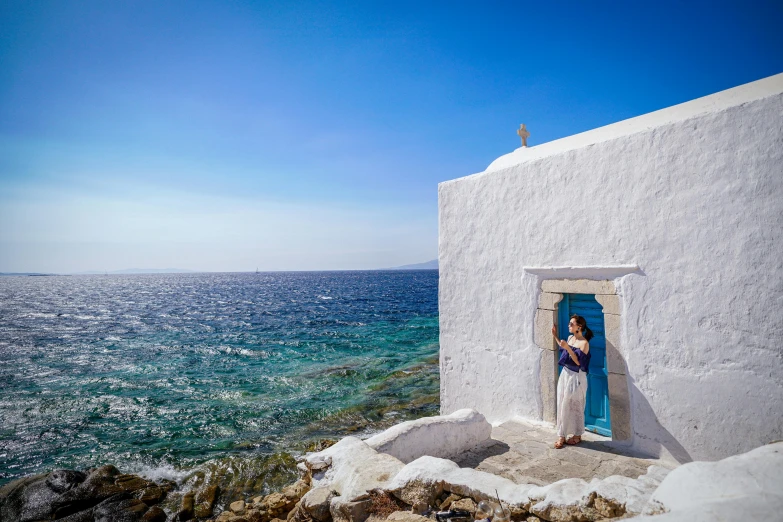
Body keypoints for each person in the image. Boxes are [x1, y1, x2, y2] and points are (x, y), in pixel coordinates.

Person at [550, 315, 593, 449]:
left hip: (576, 377)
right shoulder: (570, 338)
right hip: (565, 374)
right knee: (562, 402)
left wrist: (568, 348)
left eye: (571, 324)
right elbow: (564, 349)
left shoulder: (584, 343)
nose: (569, 326)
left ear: (578, 327)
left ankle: (576, 434)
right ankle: (562, 435)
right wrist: (555, 336)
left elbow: (578, 362)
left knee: (575, 405)